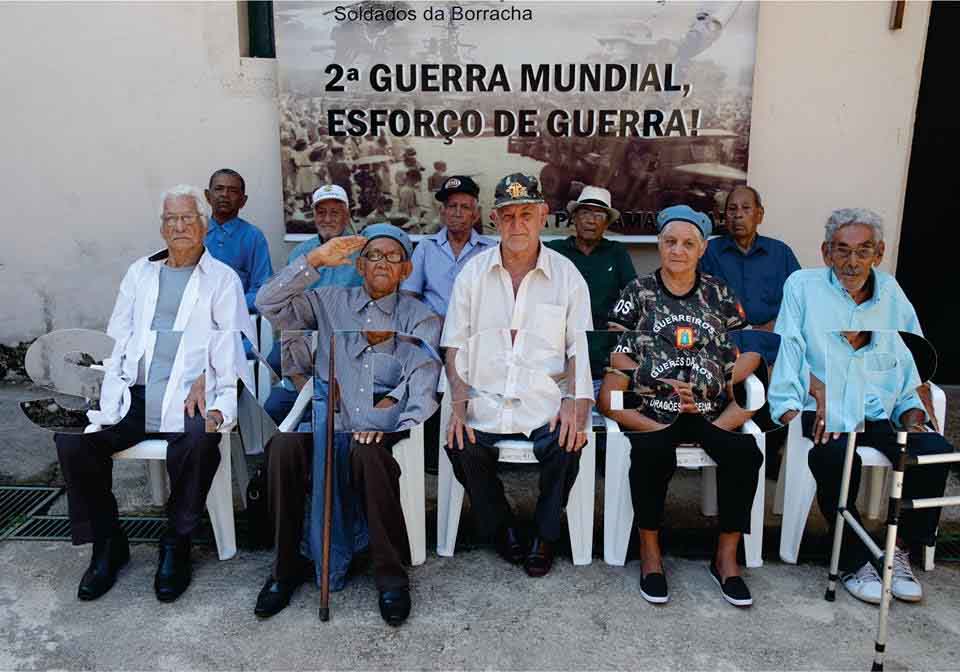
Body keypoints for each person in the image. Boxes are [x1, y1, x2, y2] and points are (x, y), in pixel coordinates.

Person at [54, 185, 253, 603]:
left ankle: (176, 543)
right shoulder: (139, 273)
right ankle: (108, 543)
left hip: (188, 394)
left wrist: (213, 390)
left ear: (202, 225)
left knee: (200, 439)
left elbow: (231, 344)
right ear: (161, 227)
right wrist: (102, 383)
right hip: (134, 393)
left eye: (187, 218)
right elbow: (117, 336)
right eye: (170, 219)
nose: (179, 226)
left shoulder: (221, 280)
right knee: (73, 441)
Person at [254, 224, 441, 625]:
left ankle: (391, 577)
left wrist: (378, 417)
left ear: (406, 270)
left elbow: (420, 386)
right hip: (328, 419)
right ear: (359, 265)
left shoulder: (420, 317)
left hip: (383, 425)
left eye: (393, 257)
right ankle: (284, 568)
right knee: (283, 447)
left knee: (367, 451)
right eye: (373, 255)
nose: (382, 263)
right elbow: (267, 303)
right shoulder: (328, 300)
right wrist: (315, 260)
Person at [768, 207, 952, 605]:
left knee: (936, 452)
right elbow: (788, 350)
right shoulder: (802, 286)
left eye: (863, 250)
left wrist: (916, 408)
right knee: (834, 456)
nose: (852, 261)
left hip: (879, 408)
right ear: (826, 252)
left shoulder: (890, 293)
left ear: (879, 252)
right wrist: (812, 386)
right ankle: (852, 558)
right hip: (822, 406)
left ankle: (897, 550)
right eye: (842, 250)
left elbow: (910, 357)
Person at [599, 205, 762, 607]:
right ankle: (650, 554)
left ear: (702, 248)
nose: (678, 250)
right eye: (670, 242)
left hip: (709, 408)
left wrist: (716, 380)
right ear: (659, 244)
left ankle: (726, 558)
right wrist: (655, 379)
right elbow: (617, 353)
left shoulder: (718, 293)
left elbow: (750, 353)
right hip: (655, 406)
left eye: (688, 243)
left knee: (745, 454)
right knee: (651, 453)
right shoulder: (637, 292)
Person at [442, 173, 593, 578]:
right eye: (508, 215)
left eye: (526, 213)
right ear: (493, 219)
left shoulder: (567, 276)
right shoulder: (472, 275)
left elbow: (580, 348)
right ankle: (502, 529)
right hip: (485, 400)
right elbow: (454, 345)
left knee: (569, 441)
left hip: (543, 403)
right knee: (461, 446)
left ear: (543, 215)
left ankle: (545, 536)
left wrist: (572, 403)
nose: (517, 224)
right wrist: (458, 404)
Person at [699, 185, 801, 472]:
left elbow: (799, 304)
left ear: (760, 214)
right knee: (755, 383)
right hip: (729, 347)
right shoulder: (711, 252)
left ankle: (768, 454)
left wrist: (769, 329)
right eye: (732, 209)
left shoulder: (780, 253)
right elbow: (702, 303)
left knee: (780, 383)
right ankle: (740, 452)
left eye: (746, 209)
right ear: (723, 216)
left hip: (774, 344)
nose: (738, 215)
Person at [401, 176, 495, 473]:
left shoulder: (490, 250)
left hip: (476, 337)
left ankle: (476, 449)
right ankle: (431, 456)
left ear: (475, 214)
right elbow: (408, 297)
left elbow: (500, 300)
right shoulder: (426, 248)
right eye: (451, 206)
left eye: (465, 207)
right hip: (432, 336)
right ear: (442, 212)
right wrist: (432, 324)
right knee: (425, 374)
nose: (457, 212)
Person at [264, 184, 363, 425]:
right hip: (304, 341)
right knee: (274, 404)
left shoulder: (361, 252)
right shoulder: (302, 252)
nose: (327, 219)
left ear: (347, 215)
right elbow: (286, 308)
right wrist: (298, 379)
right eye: (321, 212)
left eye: (335, 212)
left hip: (346, 342)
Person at [546, 186, 637, 394]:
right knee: (562, 419)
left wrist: (625, 326)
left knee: (614, 414)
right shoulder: (554, 250)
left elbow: (634, 296)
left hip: (604, 357)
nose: (591, 220)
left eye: (598, 214)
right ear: (574, 218)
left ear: (606, 222)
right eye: (585, 212)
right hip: (561, 357)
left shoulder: (616, 253)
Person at [203, 169, 274, 313]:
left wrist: (228, 305)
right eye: (219, 189)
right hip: (196, 320)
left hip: (238, 320)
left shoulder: (253, 237)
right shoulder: (194, 233)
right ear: (207, 196)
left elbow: (262, 290)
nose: (224, 194)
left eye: (232, 191)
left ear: (243, 201)